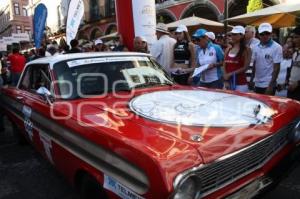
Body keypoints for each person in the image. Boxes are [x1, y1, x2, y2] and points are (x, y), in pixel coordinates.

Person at [250, 23, 282, 95]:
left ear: (271, 34)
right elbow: (255, 64)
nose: (265, 36)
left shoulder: (277, 47)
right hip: (257, 83)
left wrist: (270, 86)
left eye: (267, 33)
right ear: (258, 35)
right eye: (262, 34)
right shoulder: (255, 47)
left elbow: (276, 68)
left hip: (268, 84)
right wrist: (252, 79)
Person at [223, 26, 252, 92]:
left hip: (240, 84)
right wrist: (226, 80)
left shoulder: (247, 49)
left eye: (235, 34)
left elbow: (245, 67)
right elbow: (224, 64)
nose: (233, 36)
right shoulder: (228, 49)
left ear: (242, 35)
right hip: (228, 84)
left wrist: (230, 74)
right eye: (232, 34)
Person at [287, 26, 300, 101]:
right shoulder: (295, 53)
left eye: (297, 37)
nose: (294, 40)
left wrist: (297, 83)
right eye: (293, 37)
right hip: (291, 89)